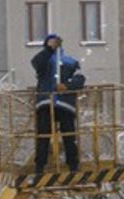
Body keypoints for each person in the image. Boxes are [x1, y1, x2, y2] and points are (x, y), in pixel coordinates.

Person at [31, 33, 86, 174]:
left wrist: (67, 86)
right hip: (45, 103)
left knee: (69, 135)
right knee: (43, 135)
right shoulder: (43, 60)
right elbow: (36, 63)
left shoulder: (70, 62)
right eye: (50, 42)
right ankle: (39, 167)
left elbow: (80, 79)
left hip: (64, 104)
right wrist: (49, 50)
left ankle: (73, 165)